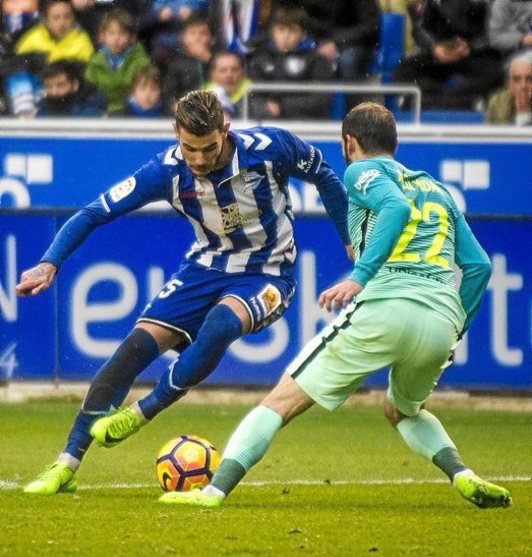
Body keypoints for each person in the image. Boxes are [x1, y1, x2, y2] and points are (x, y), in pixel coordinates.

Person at [158, 101, 513, 510]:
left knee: (280, 401)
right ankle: (462, 474)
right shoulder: (437, 190)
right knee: (402, 411)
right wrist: (455, 332)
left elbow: (395, 206)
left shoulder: (361, 170)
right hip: (440, 320)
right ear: (395, 143)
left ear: (349, 143)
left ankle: (213, 491)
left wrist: (361, 275)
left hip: (387, 306)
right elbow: (479, 267)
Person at [18, 89, 351, 495]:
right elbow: (94, 212)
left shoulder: (270, 147)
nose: (199, 159)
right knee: (132, 350)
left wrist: (349, 238)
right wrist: (50, 261)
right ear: (176, 133)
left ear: (225, 130)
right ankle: (65, 464)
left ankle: (142, 412)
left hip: (268, 275)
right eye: (189, 148)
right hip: (203, 269)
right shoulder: (166, 171)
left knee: (221, 323)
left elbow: (325, 175)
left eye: (208, 148)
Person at [392, 0, 503, 110]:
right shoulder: (433, 2)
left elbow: (495, 33)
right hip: (440, 54)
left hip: (475, 55)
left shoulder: (488, 3)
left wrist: (470, 47)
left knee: (495, 73)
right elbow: (420, 28)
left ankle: (430, 102)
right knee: (404, 70)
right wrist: (434, 47)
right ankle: (451, 102)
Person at [246, 4, 335, 120]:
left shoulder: (317, 60)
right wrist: (264, 106)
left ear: (302, 34)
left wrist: (282, 106)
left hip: (306, 123)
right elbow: (252, 95)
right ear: (273, 32)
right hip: (267, 121)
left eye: (293, 31)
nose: (286, 36)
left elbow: (321, 100)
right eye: (281, 30)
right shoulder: (260, 59)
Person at [84, 8, 150, 113]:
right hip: (101, 112)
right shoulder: (95, 63)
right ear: (102, 36)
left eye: (122, 33)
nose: (116, 38)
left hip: (132, 111)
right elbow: (89, 94)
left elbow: (144, 91)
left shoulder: (140, 61)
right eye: (111, 33)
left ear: (131, 37)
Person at [160, 14, 216, 114]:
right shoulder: (175, 62)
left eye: (203, 33)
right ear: (183, 38)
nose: (197, 38)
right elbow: (169, 93)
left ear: (212, 39)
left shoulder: (219, 59)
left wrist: (209, 60)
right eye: (192, 33)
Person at [36, 59, 107, 116]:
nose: (54, 92)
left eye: (61, 85)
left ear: (75, 85)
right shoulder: (42, 109)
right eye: (48, 86)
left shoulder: (91, 110)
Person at [485, 52, 532, 126]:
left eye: (529, 79)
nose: (523, 86)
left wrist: (525, 114)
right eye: (517, 80)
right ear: (509, 84)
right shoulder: (498, 101)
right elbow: (489, 132)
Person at [203, 50, 251, 120]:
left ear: (243, 72)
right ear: (212, 74)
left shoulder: (256, 93)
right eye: (223, 70)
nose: (229, 75)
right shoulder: (200, 100)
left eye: (234, 69)